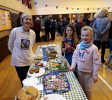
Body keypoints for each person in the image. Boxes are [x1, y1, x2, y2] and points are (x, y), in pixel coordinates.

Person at [70, 26, 101, 100]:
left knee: (88, 88)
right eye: (83, 35)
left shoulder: (94, 48)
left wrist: (95, 75)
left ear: (91, 36)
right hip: (80, 70)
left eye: (87, 35)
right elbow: (75, 56)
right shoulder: (79, 46)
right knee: (81, 86)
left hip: (88, 73)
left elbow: (96, 62)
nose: (84, 37)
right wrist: (73, 66)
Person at [8, 14, 35, 87]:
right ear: (22, 20)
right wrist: (16, 55)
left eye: (30, 20)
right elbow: (10, 45)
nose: (28, 21)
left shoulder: (33, 33)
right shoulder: (15, 31)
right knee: (24, 81)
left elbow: (31, 45)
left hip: (29, 60)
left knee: (31, 79)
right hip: (19, 62)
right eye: (26, 19)